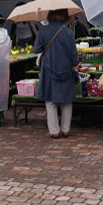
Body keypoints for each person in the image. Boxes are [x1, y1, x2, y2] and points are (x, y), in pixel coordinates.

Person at [34, 9, 79, 138]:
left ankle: (54, 131)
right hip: (66, 69)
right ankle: (66, 129)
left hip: (49, 69)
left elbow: (36, 48)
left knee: (50, 101)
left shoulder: (43, 31)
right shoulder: (68, 32)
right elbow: (74, 56)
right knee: (67, 101)